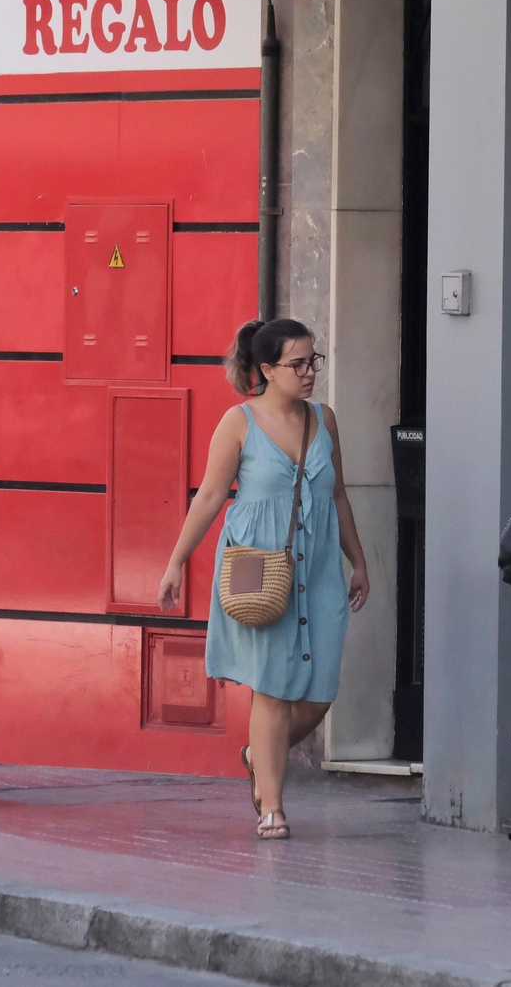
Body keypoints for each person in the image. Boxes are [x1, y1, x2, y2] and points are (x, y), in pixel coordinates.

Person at [157, 319, 370, 840]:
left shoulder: (325, 419)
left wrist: (359, 560)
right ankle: (271, 805)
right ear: (267, 370)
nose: (309, 373)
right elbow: (209, 497)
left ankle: (258, 752)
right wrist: (176, 562)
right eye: (297, 364)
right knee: (272, 689)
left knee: (319, 694)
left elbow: (337, 494)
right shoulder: (239, 422)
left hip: (318, 568)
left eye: (313, 361)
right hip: (262, 567)